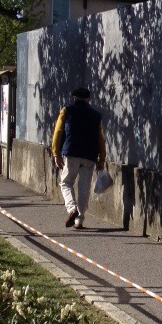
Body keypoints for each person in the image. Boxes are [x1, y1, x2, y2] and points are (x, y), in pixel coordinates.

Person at [51, 87, 106, 229]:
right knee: (84, 187)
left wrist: (56, 153)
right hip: (90, 155)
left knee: (66, 182)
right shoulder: (96, 115)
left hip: (71, 152)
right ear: (88, 99)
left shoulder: (67, 111)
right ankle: (79, 221)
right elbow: (101, 139)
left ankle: (71, 209)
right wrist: (101, 159)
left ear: (74, 97)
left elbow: (58, 132)